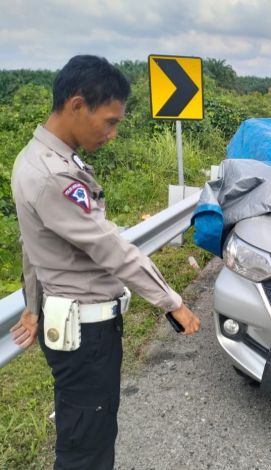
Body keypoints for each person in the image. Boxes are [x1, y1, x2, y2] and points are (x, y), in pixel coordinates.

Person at [9, 55, 201, 469]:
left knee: (90, 433)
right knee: (87, 449)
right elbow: (110, 247)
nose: (112, 134)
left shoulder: (40, 158)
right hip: (86, 333)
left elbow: (33, 245)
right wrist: (173, 302)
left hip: (78, 326)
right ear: (76, 105)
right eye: (110, 121)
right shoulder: (53, 176)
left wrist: (31, 305)